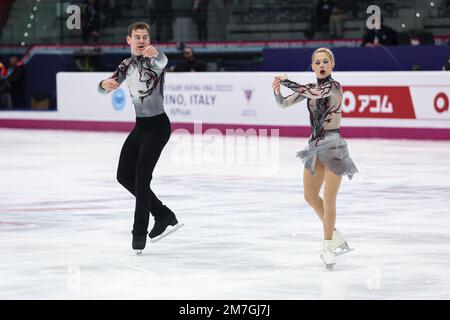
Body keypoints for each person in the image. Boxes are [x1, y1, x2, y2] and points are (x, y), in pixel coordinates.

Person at [98, 21, 182, 254]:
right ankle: (163, 214)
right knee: (124, 176)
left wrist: (159, 54)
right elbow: (106, 87)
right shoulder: (126, 65)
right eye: (137, 37)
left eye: (145, 37)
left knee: (142, 178)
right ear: (129, 40)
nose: (142, 40)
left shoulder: (154, 62)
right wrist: (104, 84)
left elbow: (162, 62)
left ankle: (139, 232)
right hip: (140, 127)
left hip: (158, 127)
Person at [272, 47, 358, 270]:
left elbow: (317, 94)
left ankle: (327, 246)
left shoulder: (335, 88)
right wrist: (277, 91)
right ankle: (335, 234)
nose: (321, 65)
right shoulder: (309, 89)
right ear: (312, 66)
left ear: (332, 65)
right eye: (317, 62)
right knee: (310, 196)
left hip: (334, 147)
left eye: (325, 62)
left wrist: (286, 80)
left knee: (329, 200)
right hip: (314, 146)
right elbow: (282, 104)